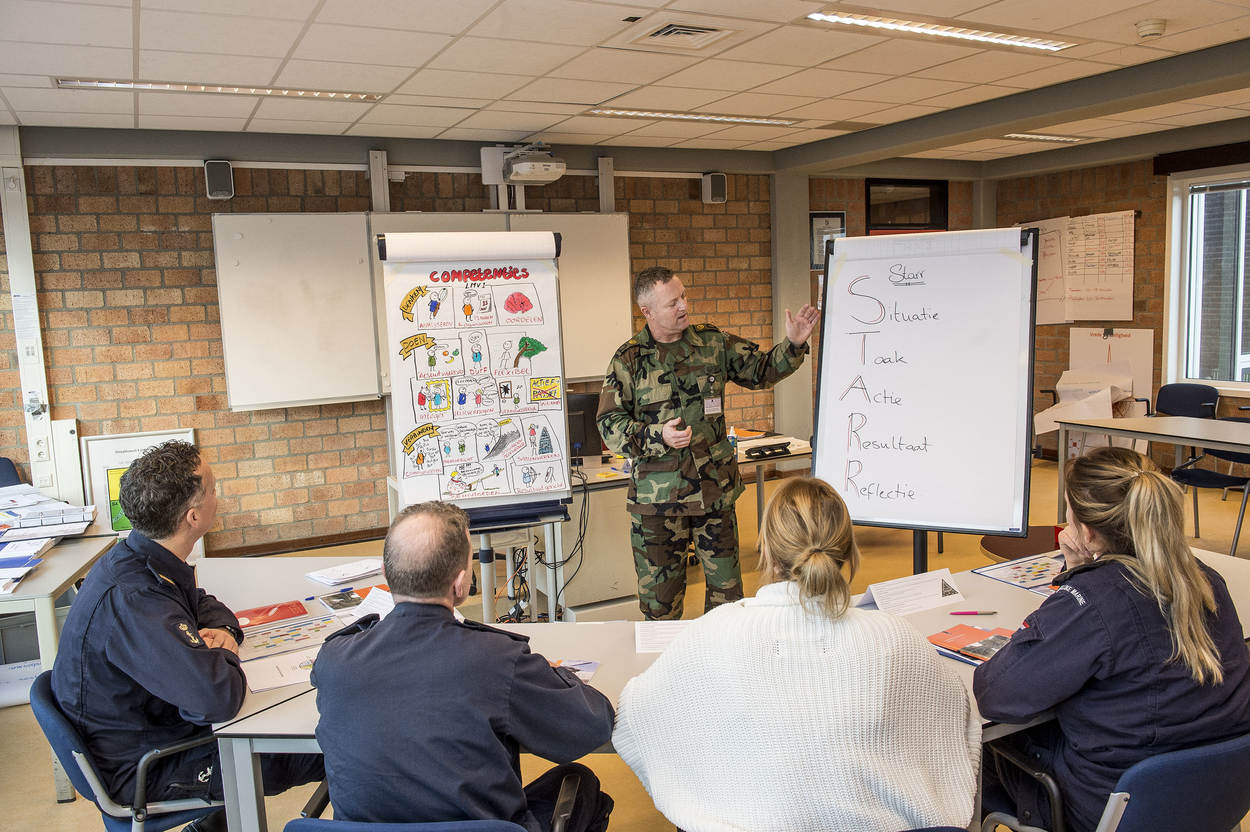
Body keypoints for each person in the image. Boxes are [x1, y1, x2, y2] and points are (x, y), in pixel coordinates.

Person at [611, 477, 980, 832]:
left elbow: (635, 713)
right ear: (848, 551)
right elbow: (956, 712)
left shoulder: (713, 633)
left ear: (767, 552)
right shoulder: (895, 637)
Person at [975, 446, 1250, 831]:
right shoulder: (1205, 580)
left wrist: (1076, 578)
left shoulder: (1093, 603)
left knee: (971, 749)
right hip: (1215, 796)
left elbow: (996, 694)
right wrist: (1083, 571)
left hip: (1112, 808)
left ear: (1087, 531)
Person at [51, 441, 322, 831]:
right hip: (149, 766)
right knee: (340, 743)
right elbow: (218, 699)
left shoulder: (139, 557)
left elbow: (199, 601)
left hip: (156, 728)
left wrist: (224, 631)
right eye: (212, 488)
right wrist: (225, 655)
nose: (218, 494)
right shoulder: (135, 599)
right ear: (193, 517)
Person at [311, 501, 615, 832]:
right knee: (581, 783)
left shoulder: (334, 659)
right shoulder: (496, 659)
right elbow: (592, 725)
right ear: (460, 584)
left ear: (387, 574)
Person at [597, 266, 820, 619]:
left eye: (683, 296)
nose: (684, 306)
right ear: (647, 311)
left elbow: (760, 371)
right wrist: (658, 435)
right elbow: (609, 424)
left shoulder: (713, 343)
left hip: (713, 492)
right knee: (660, 608)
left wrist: (793, 345)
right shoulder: (628, 360)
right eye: (673, 303)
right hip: (658, 504)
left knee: (728, 602)